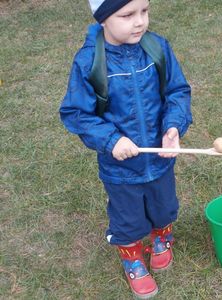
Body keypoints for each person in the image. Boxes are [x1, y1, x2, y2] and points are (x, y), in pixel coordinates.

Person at [59, 0, 192, 298]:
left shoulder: (157, 47)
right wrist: (111, 140)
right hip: (119, 167)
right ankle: (132, 256)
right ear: (103, 18)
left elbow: (176, 91)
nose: (140, 22)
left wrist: (173, 127)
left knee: (164, 205)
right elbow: (77, 113)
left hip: (159, 158)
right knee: (128, 219)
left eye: (144, 11)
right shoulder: (89, 62)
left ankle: (161, 236)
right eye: (127, 15)